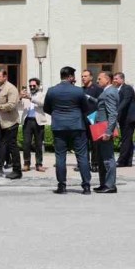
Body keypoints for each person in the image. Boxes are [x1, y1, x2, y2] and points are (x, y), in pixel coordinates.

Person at [43, 66, 93, 194]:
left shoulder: (52, 91)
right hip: (77, 125)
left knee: (60, 157)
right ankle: (86, 186)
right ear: (70, 77)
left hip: (59, 126)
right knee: (82, 156)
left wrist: (58, 114)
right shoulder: (78, 91)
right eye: (74, 76)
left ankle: (62, 186)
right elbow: (85, 108)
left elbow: (46, 108)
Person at [0, 68, 23, 179]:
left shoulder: (11, 88)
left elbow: (12, 105)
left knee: (12, 146)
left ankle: (17, 171)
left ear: (5, 77)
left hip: (10, 122)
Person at [92, 71, 119, 193]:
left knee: (108, 158)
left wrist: (108, 132)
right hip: (100, 128)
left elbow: (113, 114)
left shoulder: (110, 92)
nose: (97, 81)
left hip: (105, 129)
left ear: (107, 79)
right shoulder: (107, 92)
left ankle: (110, 185)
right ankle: (104, 184)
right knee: (102, 158)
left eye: (99, 79)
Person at [112, 72, 135, 167]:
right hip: (124, 118)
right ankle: (128, 161)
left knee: (125, 140)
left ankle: (121, 161)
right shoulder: (118, 89)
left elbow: (125, 101)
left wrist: (116, 112)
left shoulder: (127, 88)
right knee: (128, 139)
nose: (114, 80)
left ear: (122, 79)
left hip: (130, 118)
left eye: (116, 79)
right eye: (114, 78)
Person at [21, 78, 48, 173]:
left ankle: (39, 164)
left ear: (38, 85)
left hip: (38, 121)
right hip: (27, 121)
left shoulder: (42, 94)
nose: (32, 87)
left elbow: (43, 103)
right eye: (30, 86)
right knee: (26, 143)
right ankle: (26, 164)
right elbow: (18, 106)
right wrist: (20, 97)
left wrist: (30, 98)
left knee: (38, 144)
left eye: (34, 85)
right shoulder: (26, 95)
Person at [82, 69, 104, 174]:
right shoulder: (81, 90)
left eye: (85, 76)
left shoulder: (97, 89)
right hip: (83, 119)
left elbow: (100, 103)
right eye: (82, 76)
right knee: (84, 143)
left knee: (95, 143)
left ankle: (95, 164)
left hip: (94, 118)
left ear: (91, 77)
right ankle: (84, 164)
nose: (83, 78)